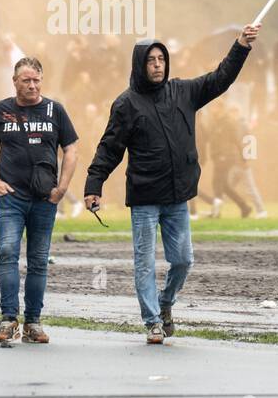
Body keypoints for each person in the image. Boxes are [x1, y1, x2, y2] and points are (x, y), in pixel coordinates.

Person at [84, 25, 259, 344]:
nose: (157, 64)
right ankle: (152, 321)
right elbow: (110, 147)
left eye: (161, 59)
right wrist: (94, 184)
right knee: (144, 263)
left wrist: (241, 47)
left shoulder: (183, 91)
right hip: (145, 198)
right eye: (151, 60)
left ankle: (165, 304)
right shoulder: (126, 104)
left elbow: (221, 78)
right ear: (140, 64)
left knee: (183, 260)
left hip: (178, 197)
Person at [0, 56, 80, 345]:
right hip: (11, 198)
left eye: (36, 80)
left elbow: (71, 149)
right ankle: (8, 319)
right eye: (26, 80)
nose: (32, 85)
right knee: (8, 252)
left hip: (44, 199)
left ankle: (33, 323)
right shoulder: (0, 111)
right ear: (15, 82)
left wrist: (62, 189)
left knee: (38, 261)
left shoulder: (55, 110)